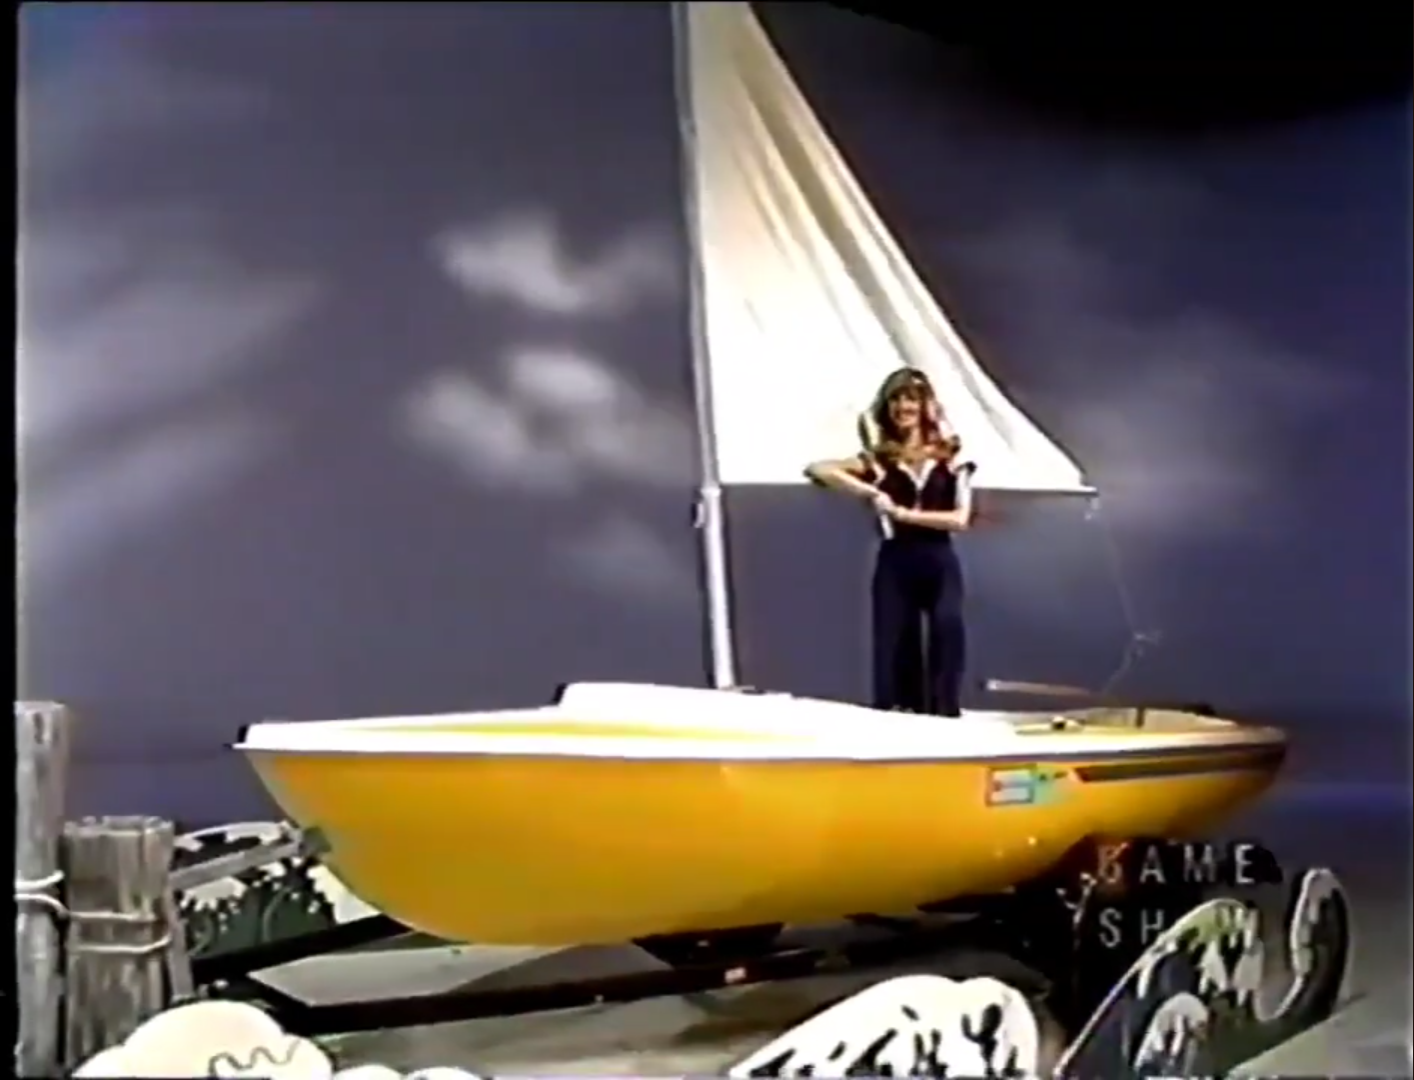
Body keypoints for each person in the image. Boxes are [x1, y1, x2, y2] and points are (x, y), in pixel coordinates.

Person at [805, 368, 976, 717]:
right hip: (898, 556)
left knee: (947, 628)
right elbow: (819, 469)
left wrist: (902, 513)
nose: (903, 406)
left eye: (911, 398)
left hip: (937, 555)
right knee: (897, 636)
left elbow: (959, 519)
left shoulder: (950, 457)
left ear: (926, 405)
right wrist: (870, 491)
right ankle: (901, 710)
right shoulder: (881, 460)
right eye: (896, 399)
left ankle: (943, 711)